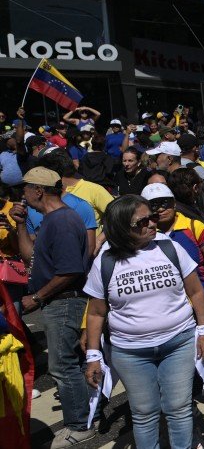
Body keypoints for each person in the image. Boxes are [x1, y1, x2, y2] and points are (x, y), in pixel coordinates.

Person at [83, 194, 204, 449]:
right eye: (142, 221)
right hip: (130, 353)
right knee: (143, 414)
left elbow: (197, 292)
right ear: (122, 229)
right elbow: (96, 313)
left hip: (179, 343)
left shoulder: (169, 248)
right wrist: (93, 356)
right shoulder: (105, 262)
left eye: (152, 217)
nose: (152, 224)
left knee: (178, 408)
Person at [18, 167, 94, 447]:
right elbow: (31, 259)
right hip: (57, 302)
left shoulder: (61, 221)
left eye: (25, 188)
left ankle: (79, 426)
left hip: (63, 302)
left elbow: (70, 270)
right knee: (65, 363)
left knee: (63, 365)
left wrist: (37, 298)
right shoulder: (51, 219)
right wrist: (20, 223)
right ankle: (79, 420)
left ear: (38, 190)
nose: (22, 195)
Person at [141, 182, 204, 292]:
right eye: (154, 205)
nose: (160, 209)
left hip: (201, 293)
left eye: (165, 203)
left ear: (174, 204)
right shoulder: (142, 234)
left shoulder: (195, 227)